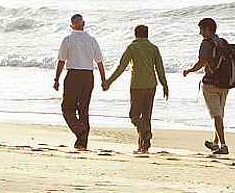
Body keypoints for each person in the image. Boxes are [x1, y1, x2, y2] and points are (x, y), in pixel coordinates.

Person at [102, 23, 169, 153]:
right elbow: (160, 69)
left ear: (135, 35)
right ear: (147, 34)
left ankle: (144, 133)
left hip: (137, 85)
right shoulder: (153, 48)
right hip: (151, 85)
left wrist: (109, 81)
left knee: (134, 115)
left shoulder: (132, 47)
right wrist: (164, 85)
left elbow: (121, 67)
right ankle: (144, 144)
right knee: (146, 116)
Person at [181, 16, 235, 155]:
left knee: (216, 116)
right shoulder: (222, 42)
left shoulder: (206, 44)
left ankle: (223, 145)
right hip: (225, 84)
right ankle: (215, 143)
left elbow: (201, 63)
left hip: (210, 84)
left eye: (201, 29)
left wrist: (189, 70)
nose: (200, 33)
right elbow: (234, 63)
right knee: (219, 115)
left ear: (208, 29)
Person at [52, 14, 106, 150]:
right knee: (83, 109)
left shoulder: (68, 40)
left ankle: (80, 131)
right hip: (88, 76)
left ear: (71, 26)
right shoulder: (92, 40)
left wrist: (57, 79)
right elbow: (99, 62)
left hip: (73, 75)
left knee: (67, 108)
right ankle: (82, 142)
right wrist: (103, 79)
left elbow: (61, 61)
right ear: (84, 24)